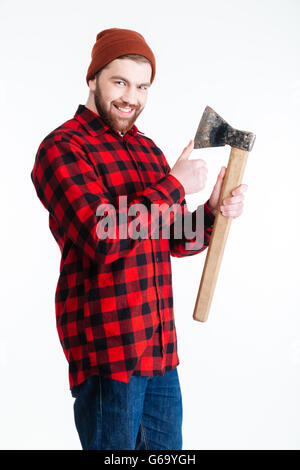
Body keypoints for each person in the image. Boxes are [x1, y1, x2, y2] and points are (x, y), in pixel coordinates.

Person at [30, 28, 247, 450]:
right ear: (93, 78)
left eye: (143, 86)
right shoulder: (62, 148)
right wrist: (174, 186)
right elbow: (102, 235)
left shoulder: (147, 151)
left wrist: (211, 212)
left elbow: (173, 238)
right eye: (120, 81)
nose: (132, 96)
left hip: (160, 350)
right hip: (109, 350)